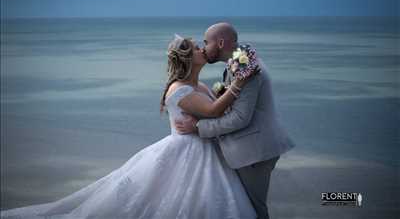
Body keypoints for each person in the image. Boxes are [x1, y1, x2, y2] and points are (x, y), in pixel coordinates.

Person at [0, 34, 258, 219]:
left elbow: (217, 111)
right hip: (186, 151)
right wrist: (240, 83)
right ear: (189, 59)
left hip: (205, 150)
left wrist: (227, 88)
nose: (204, 48)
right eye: (197, 47)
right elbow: (214, 110)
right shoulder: (179, 90)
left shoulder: (199, 87)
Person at [175, 22, 296, 219]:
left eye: (206, 43)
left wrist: (198, 127)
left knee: (254, 210)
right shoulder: (239, 63)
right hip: (250, 148)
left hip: (255, 151)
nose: (204, 48)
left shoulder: (246, 69)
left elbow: (240, 119)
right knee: (245, 208)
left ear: (220, 43)